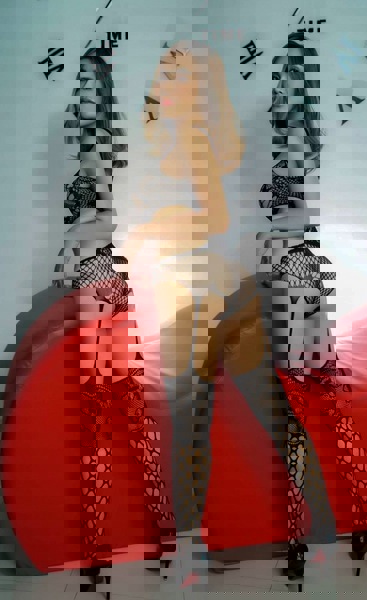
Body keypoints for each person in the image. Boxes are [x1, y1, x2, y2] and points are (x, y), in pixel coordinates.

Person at [258, 28, 367, 582]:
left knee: (307, 431)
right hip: (305, 300)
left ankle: (311, 538)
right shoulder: (299, 157)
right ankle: (337, 531)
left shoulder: (294, 161)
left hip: (301, 301)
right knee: (321, 429)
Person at [54, 46, 176, 593]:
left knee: (108, 425)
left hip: (99, 295)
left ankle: (104, 551)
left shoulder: (93, 171)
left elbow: (81, 241)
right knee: (117, 424)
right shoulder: (95, 170)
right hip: (105, 294)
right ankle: (135, 542)